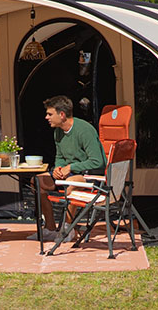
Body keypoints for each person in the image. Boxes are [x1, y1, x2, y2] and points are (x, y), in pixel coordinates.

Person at [33, 96, 106, 241]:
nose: (46, 117)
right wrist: (58, 168)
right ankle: (50, 228)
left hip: (92, 175)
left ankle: (68, 228)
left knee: (72, 183)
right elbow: (60, 156)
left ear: (62, 114)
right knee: (37, 181)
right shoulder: (58, 131)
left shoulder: (84, 130)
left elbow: (98, 162)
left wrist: (71, 167)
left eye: (50, 114)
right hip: (70, 172)